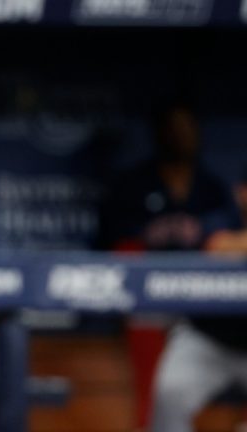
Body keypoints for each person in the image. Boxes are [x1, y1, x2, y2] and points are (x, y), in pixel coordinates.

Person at [100, 103, 247, 432]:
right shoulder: (224, 214)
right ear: (242, 193)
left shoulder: (207, 186)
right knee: (168, 393)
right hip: (207, 336)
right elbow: (216, 243)